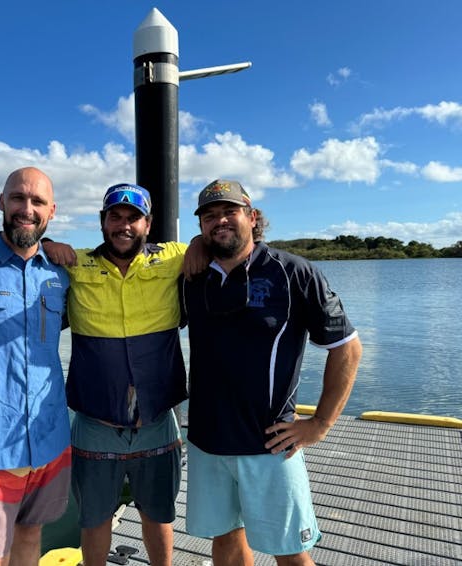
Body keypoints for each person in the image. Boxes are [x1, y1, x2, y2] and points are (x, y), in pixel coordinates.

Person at [181, 180, 363, 566]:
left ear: (252, 216)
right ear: (200, 228)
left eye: (230, 212)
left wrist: (320, 424)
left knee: (291, 553)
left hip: (269, 444)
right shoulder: (192, 277)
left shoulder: (293, 272)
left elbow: (346, 347)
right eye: (209, 216)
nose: (220, 222)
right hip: (206, 442)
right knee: (227, 540)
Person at [59, 183, 188, 566]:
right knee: (94, 517)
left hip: (157, 419)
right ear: (102, 222)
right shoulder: (75, 264)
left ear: (148, 223)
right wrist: (48, 244)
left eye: (133, 218)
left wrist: (198, 246)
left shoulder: (174, 257)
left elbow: (214, 247)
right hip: (95, 421)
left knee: (159, 514)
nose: (124, 225)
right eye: (115, 217)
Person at [0, 167, 72, 566]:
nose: (27, 209)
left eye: (37, 201)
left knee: (31, 537)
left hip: (51, 438)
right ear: (2, 202)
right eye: (18, 198)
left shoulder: (60, 272)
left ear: (52, 211)